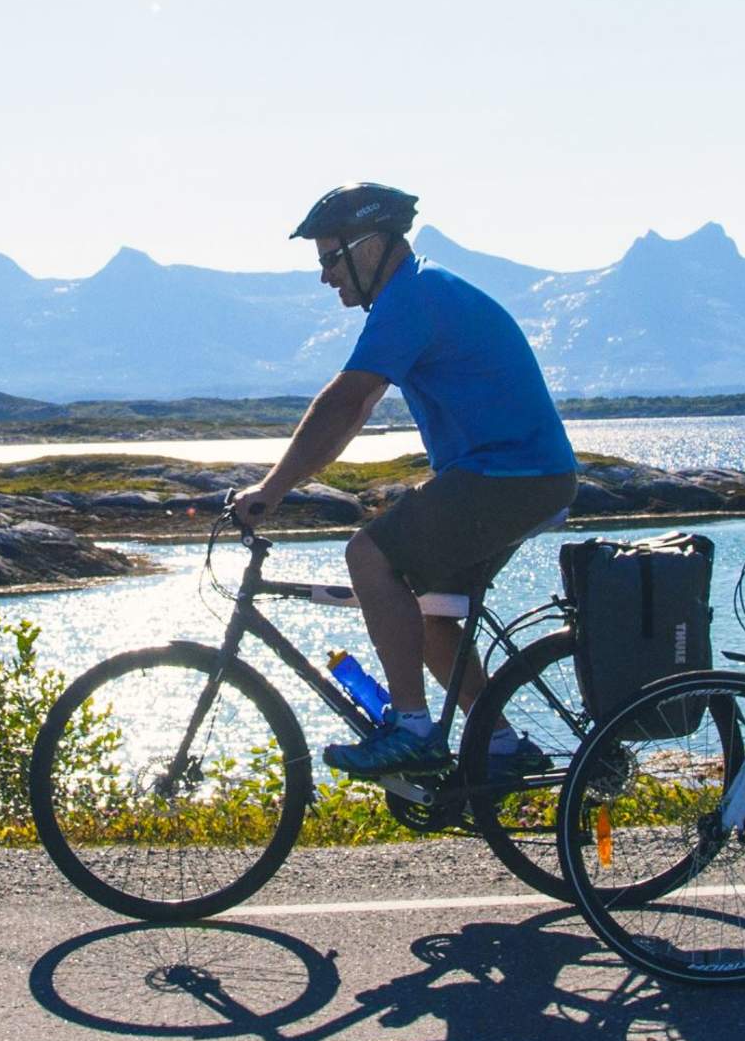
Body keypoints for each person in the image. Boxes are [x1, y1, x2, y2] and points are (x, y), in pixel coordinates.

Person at [231, 183, 579, 779]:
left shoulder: (411, 297)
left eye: (330, 258)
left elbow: (349, 402)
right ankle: (500, 749)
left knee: (368, 556)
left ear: (372, 246)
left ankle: (413, 729)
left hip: (512, 476)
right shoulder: (419, 291)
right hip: (517, 475)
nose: (324, 276)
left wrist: (272, 489)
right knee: (430, 616)